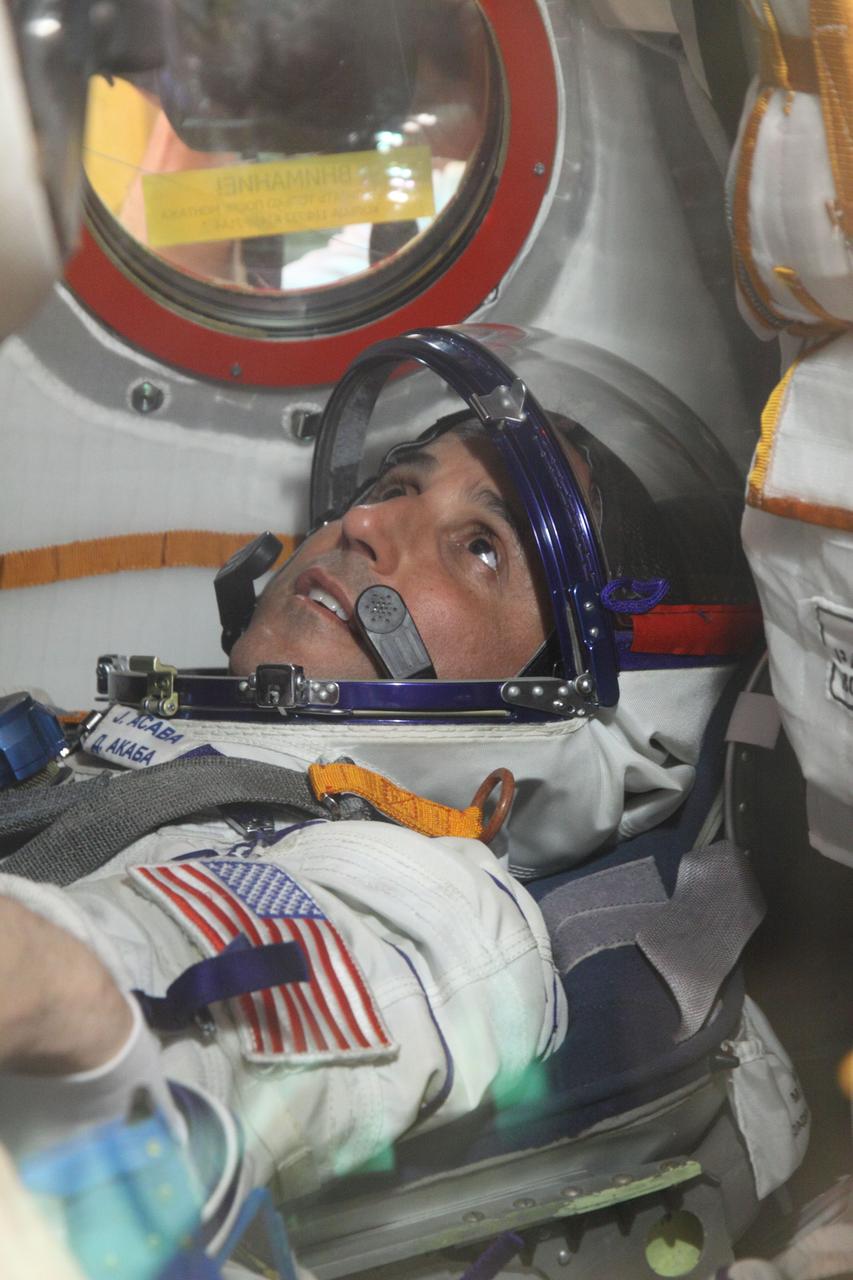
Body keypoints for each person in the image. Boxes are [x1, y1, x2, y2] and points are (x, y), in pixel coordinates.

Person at [0, 326, 802, 1276]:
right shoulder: (113, 744)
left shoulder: (427, 897)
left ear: (559, 687)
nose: (366, 527)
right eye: (393, 487)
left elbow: (161, 998)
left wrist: (65, 995)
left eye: (480, 548)